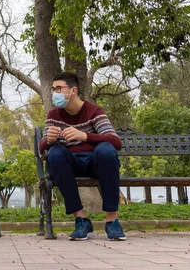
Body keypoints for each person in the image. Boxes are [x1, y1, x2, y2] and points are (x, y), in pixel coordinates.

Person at [38, 71, 125, 241]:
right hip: (70, 165)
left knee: (106, 150)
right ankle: (81, 220)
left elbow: (115, 142)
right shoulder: (54, 115)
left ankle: (112, 221)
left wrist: (84, 136)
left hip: (95, 163)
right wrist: (49, 140)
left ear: (73, 91)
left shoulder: (94, 111)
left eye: (58, 88)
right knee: (54, 153)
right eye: (53, 89)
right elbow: (42, 149)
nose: (54, 93)